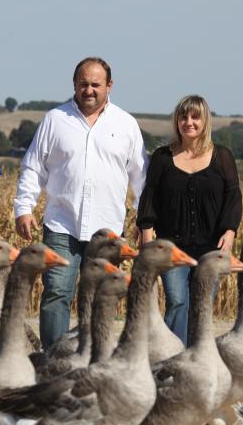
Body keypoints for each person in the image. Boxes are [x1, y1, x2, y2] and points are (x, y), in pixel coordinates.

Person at [13, 56, 147, 349]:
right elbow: (33, 167)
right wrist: (24, 207)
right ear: (74, 84)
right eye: (83, 84)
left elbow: (141, 176)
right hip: (62, 223)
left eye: (96, 85)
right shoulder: (55, 120)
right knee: (56, 293)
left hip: (107, 230)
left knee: (102, 296)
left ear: (109, 86)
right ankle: (52, 360)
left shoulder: (126, 124)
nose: (89, 90)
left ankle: (94, 357)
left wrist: (143, 217)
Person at [136, 95, 242, 346]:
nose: (189, 122)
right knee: (178, 301)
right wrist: (147, 234)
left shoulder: (222, 156)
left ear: (205, 121)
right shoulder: (162, 157)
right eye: (183, 117)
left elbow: (233, 196)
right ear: (176, 121)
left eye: (195, 117)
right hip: (172, 247)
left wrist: (230, 230)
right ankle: (172, 356)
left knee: (202, 303)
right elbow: (149, 195)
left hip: (211, 247)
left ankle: (197, 355)